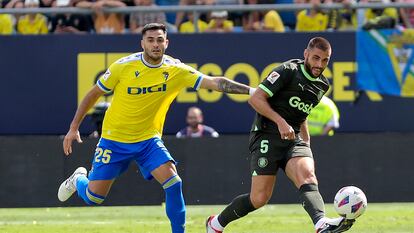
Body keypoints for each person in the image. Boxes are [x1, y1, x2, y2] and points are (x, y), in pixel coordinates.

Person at [58, 23, 254, 233]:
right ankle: (79, 179)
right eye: (150, 40)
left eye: (160, 40)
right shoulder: (123, 67)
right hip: (114, 140)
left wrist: (253, 91)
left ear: (166, 43)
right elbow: (93, 93)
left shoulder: (176, 69)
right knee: (93, 198)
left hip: (148, 140)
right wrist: (74, 127)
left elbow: (216, 82)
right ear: (142, 43)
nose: (155, 44)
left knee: (174, 182)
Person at [206, 37, 355, 233]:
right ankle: (215, 224)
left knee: (308, 176)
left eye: (325, 60)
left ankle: (320, 224)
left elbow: (302, 114)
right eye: (316, 58)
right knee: (259, 198)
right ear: (306, 54)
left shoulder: (322, 85)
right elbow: (256, 98)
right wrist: (281, 122)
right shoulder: (288, 70)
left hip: (294, 139)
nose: (320, 64)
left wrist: (306, 142)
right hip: (267, 135)